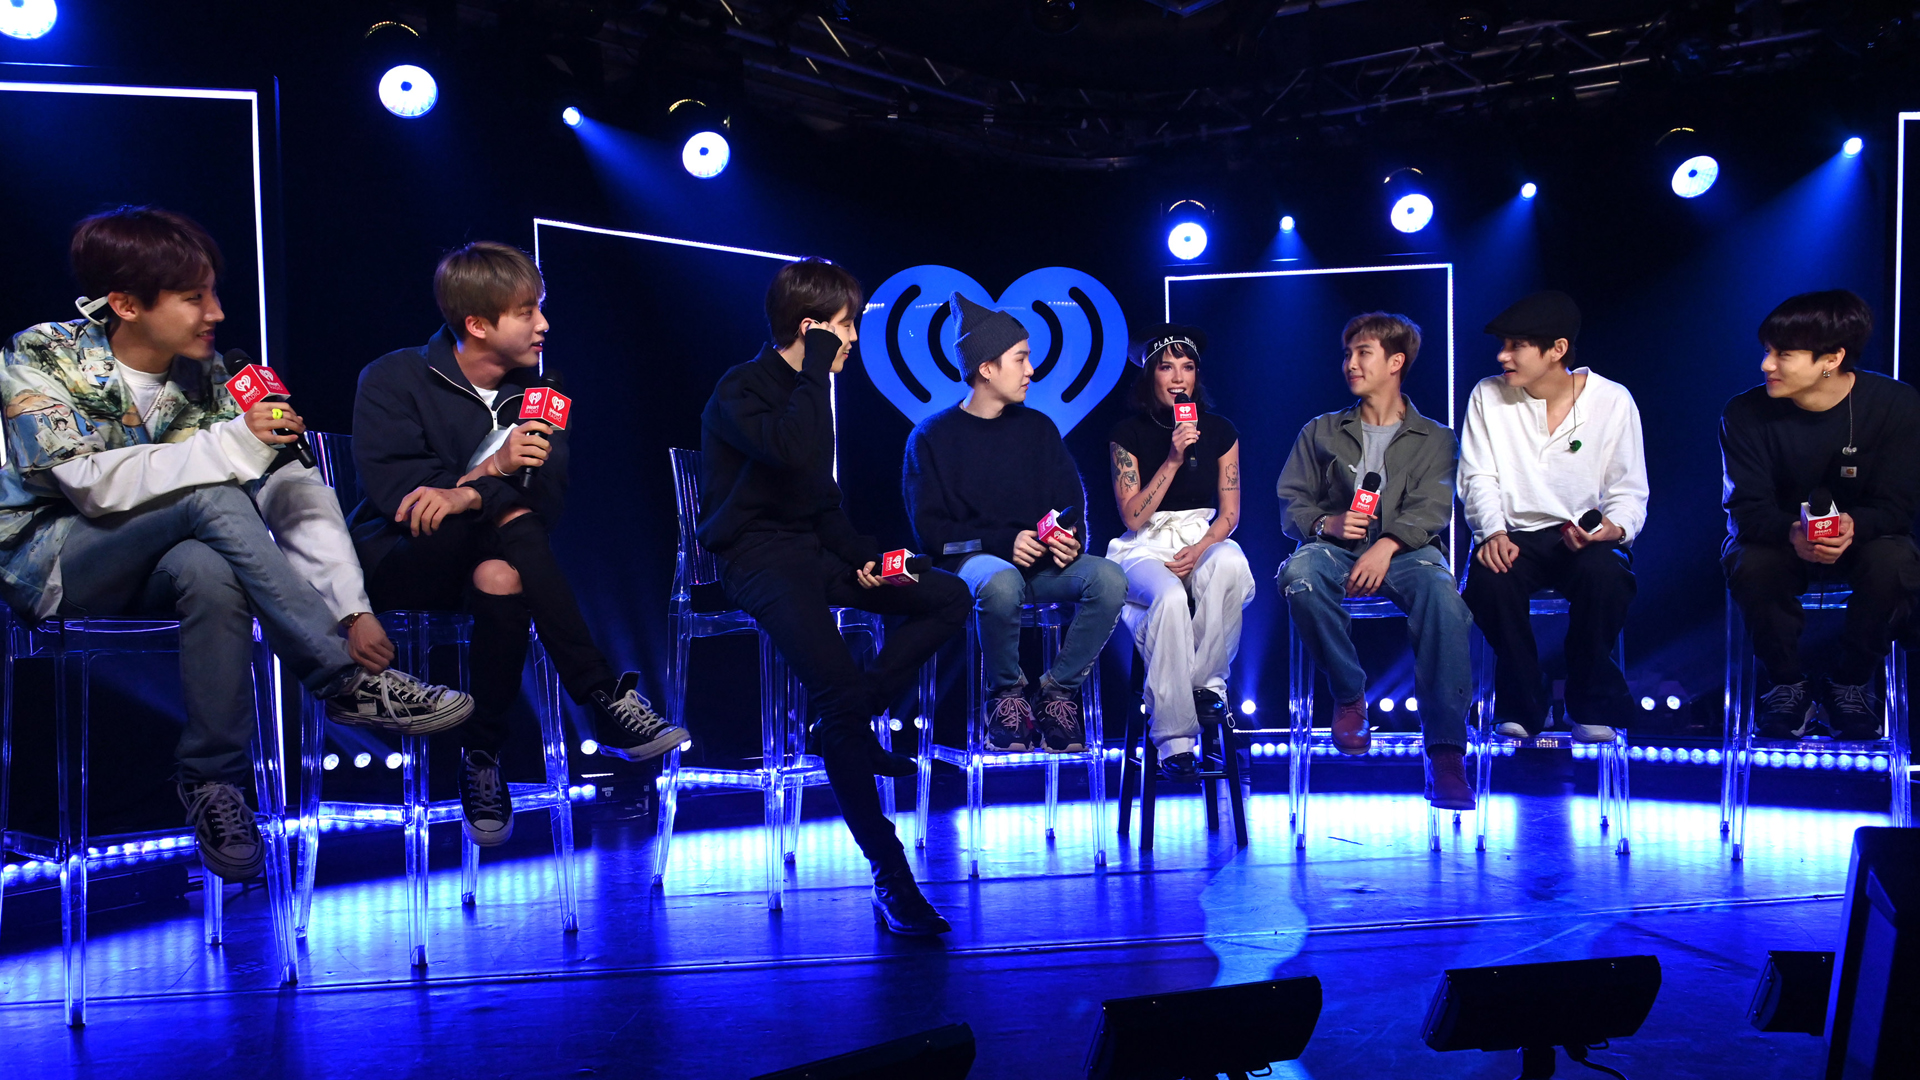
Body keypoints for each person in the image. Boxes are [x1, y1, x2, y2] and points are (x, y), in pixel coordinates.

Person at [0, 206, 472, 883]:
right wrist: (233, 444)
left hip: (161, 567)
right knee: (213, 494)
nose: (215, 312)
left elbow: (295, 493)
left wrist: (350, 605)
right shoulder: (42, 355)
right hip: (53, 565)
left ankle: (214, 786)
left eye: (214, 291)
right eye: (194, 297)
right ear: (127, 303)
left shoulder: (224, 377)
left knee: (209, 567)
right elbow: (88, 486)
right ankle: (343, 682)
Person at [350, 241, 687, 849]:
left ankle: (481, 758)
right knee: (509, 516)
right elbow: (401, 498)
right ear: (478, 324)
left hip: (493, 557)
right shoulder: (393, 377)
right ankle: (602, 694)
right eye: (528, 311)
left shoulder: (539, 392)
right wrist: (491, 473)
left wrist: (470, 494)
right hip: (402, 558)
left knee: (504, 574)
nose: (544, 325)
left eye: (542, 307)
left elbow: (548, 505)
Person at [700, 258, 970, 936]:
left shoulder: (811, 392)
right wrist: (814, 364)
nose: (853, 340)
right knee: (834, 696)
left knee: (945, 593)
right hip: (755, 560)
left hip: (814, 555)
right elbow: (788, 453)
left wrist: (870, 563)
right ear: (812, 327)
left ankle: (858, 707)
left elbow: (821, 507)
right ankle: (892, 878)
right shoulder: (744, 388)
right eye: (846, 326)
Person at [905, 294, 1127, 757]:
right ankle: (1005, 698)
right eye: (1021, 358)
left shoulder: (1038, 429)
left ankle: (1057, 693)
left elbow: (1069, 507)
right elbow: (933, 534)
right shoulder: (932, 436)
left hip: (1042, 567)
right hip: (973, 569)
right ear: (986, 368)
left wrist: (1069, 540)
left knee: (1108, 577)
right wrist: (1003, 543)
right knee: (1002, 582)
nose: (1031, 370)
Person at [1277, 313, 1476, 809]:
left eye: (1362, 352)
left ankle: (1447, 753)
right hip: (1335, 551)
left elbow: (1432, 508)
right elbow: (1292, 503)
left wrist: (1388, 544)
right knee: (1299, 575)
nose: (1350, 363)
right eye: (1347, 354)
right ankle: (1349, 698)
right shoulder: (1320, 431)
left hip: (1409, 552)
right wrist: (1328, 525)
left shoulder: (1437, 438)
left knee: (1443, 598)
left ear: (1395, 362)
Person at [1721, 290, 1920, 740]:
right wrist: (1793, 531)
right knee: (1752, 562)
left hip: (1866, 538)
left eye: (1783, 355)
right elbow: (1746, 510)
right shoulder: (1744, 413)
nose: (1766, 365)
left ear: (1832, 358)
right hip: (1776, 539)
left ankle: (1849, 683)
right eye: (1767, 352)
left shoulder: (1896, 405)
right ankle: (1788, 685)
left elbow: (1898, 505)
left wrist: (1855, 525)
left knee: (1893, 561)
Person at [1459, 290, 1648, 743]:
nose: (1503, 355)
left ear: (1557, 349)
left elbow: (1627, 489)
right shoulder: (1488, 394)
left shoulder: (1612, 400)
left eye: (1516, 345)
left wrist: (1613, 528)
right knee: (1489, 581)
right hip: (1515, 533)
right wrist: (1492, 532)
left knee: (1605, 576)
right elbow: (1477, 476)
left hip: (1580, 535)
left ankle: (1588, 700)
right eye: (1502, 344)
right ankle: (1523, 702)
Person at [1104, 325, 1255, 782]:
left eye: (1186, 367)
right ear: (1150, 374)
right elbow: (1132, 517)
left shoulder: (1221, 431)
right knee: (1169, 598)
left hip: (1199, 535)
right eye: (1167, 367)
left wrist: (1202, 546)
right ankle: (1175, 738)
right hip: (1143, 546)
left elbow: (1229, 514)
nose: (1177, 378)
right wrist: (1172, 458)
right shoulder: (1126, 434)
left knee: (1230, 561)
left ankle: (1206, 688)